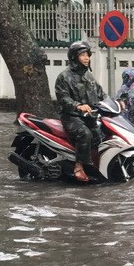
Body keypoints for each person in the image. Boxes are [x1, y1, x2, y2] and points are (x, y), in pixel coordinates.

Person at [54, 41, 109, 182]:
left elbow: (101, 94)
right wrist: (78, 106)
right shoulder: (64, 77)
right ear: (74, 57)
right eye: (83, 55)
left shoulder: (89, 76)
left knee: (101, 135)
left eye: (87, 55)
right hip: (71, 116)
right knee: (85, 134)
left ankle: (94, 166)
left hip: (89, 116)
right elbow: (63, 98)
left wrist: (115, 103)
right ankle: (78, 167)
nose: (87, 58)